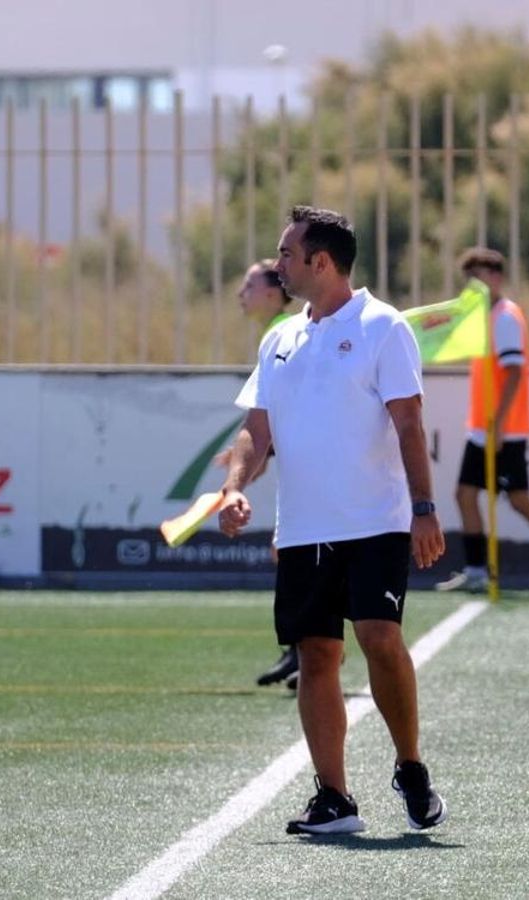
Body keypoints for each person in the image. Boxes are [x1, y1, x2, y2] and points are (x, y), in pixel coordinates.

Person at [218, 205, 448, 835]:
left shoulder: (383, 327)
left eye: (287, 254)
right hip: (301, 530)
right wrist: (234, 488)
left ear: (321, 261)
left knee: (378, 638)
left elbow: (408, 422)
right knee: (316, 654)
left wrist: (424, 509)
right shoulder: (279, 339)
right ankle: (335, 798)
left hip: (377, 522)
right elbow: (255, 430)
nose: (278, 264)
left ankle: (409, 764)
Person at [434, 247, 529, 597]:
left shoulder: (504, 317)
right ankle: (477, 571)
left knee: (517, 500)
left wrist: (499, 424)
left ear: (497, 278)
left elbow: (515, 372)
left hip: (502, 429)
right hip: (484, 427)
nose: (474, 285)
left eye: (481, 277)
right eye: (469, 278)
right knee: (468, 494)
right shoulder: (483, 318)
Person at [234, 259, 302, 689]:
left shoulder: (285, 333)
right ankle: (301, 649)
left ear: (274, 293)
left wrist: (259, 455)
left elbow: (288, 414)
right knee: (286, 552)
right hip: (296, 468)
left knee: (289, 551)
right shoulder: (275, 331)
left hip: (309, 474)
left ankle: (310, 648)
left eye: (249, 285)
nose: (242, 293)